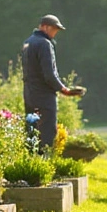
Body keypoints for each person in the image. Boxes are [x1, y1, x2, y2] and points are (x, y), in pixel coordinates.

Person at [21, 15, 83, 151]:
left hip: (29, 94)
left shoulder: (28, 42)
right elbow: (49, 74)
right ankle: (44, 163)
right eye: (54, 29)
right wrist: (64, 89)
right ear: (44, 26)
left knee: (31, 131)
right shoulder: (44, 44)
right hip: (44, 96)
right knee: (47, 133)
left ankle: (32, 165)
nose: (55, 33)